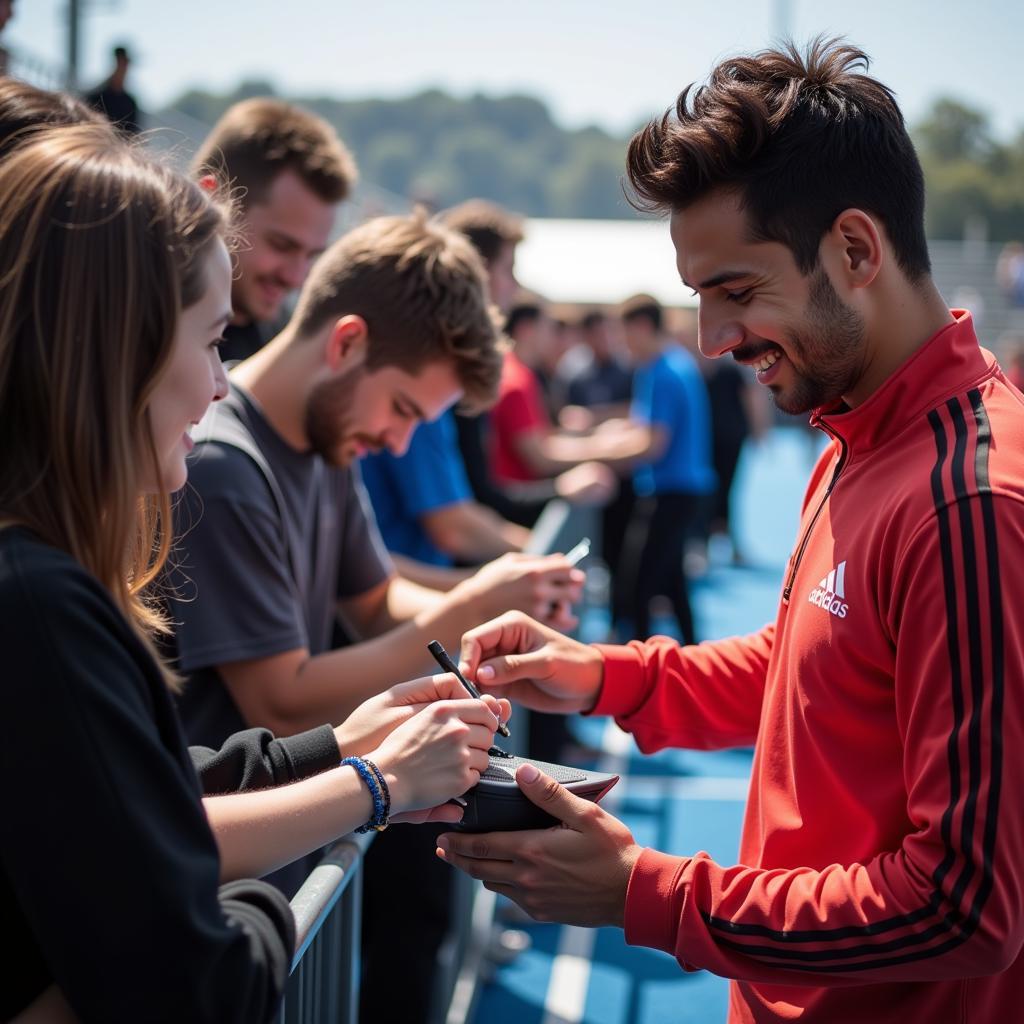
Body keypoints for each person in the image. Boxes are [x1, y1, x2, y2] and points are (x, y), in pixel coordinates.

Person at [436, 38, 1024, 1024]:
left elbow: (967, 904)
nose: (710, 338)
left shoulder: (970, 502)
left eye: (735, 291)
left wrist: (648, 893)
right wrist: (602, 674)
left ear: (854, 250)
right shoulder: (858, 429)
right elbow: (813, 665)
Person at [0, 125, 505, 1024]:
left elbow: (146, 797)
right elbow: (195, 975)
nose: (219, 385)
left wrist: (350, 745)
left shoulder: (40, 582)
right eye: (210, 341)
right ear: (123, 351)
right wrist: (351, 812)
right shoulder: (38, 604)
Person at [442, 199, 616, 526]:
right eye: (508, 270)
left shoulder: (480, 370)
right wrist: (610, 451)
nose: (515, 286)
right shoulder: (483, 375)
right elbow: (461, 515)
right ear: (475, 272)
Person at [192, 97, 357, 362]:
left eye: (312, 255)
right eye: (282, 245)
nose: (295, 278)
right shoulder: (137, 323)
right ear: (210, 199)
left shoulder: (280, 339)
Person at [614, 293, 716, 642]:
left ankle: (637, 674)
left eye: (627, 334)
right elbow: (641, 425)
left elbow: (652, 444)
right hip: (681, 491)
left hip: (672, 493)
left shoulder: (664, 371)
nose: (624, 344)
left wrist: (594, 457)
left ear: (642, 327)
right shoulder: (668, 364)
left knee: (639, 588)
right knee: (673, 584)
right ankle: (694, 655)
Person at [85, 44, 141, 136]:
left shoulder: (129, 102)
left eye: (125, 63)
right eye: (121, 63)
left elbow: (134, 134)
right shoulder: (96, 98)